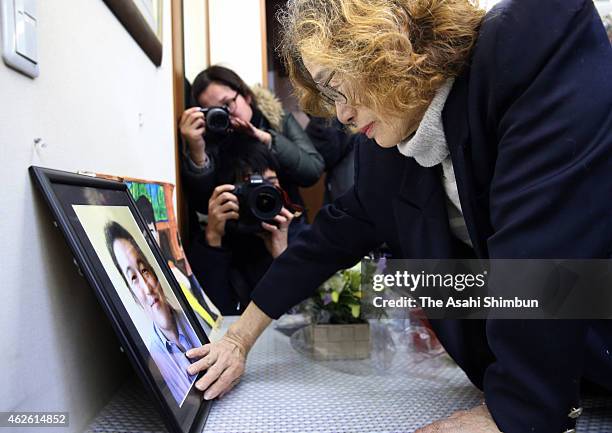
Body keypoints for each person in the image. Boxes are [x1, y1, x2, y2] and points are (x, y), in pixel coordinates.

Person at [185, 1, 612, 432]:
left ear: (391, 40)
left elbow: (539, 239)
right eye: (329, 98)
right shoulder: (387, 158)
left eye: (336, 85)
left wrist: (515, 411)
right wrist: (239, 338)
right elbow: (324, 241)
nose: (342, 115)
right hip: (575, 380)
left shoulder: (532, 36)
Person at [179, 65, 324, 237]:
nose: (225, 114)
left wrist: (266, 138)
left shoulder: (276, 119)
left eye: (227, 104)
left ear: (246, 96)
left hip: (288, 229)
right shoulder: (208, 141)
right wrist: (197, 151)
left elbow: (312, 170)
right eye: (213, 111)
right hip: (237, 239)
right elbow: (203, 204)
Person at [187, 144, 298, 314]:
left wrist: (282, 256)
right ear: (230, 192)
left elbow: (301, 315)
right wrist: (213, 238)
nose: (262, 196)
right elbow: (213, 315)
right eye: (251, 189)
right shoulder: (212, 242)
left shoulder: (295, 233)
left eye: (271, 184)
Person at [104, 221, 200, 405]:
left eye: (144, 270)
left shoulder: (195, 319)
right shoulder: (155, 362)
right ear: (133, 295)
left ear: (155, 273)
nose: (147, 288)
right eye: (133, 277)